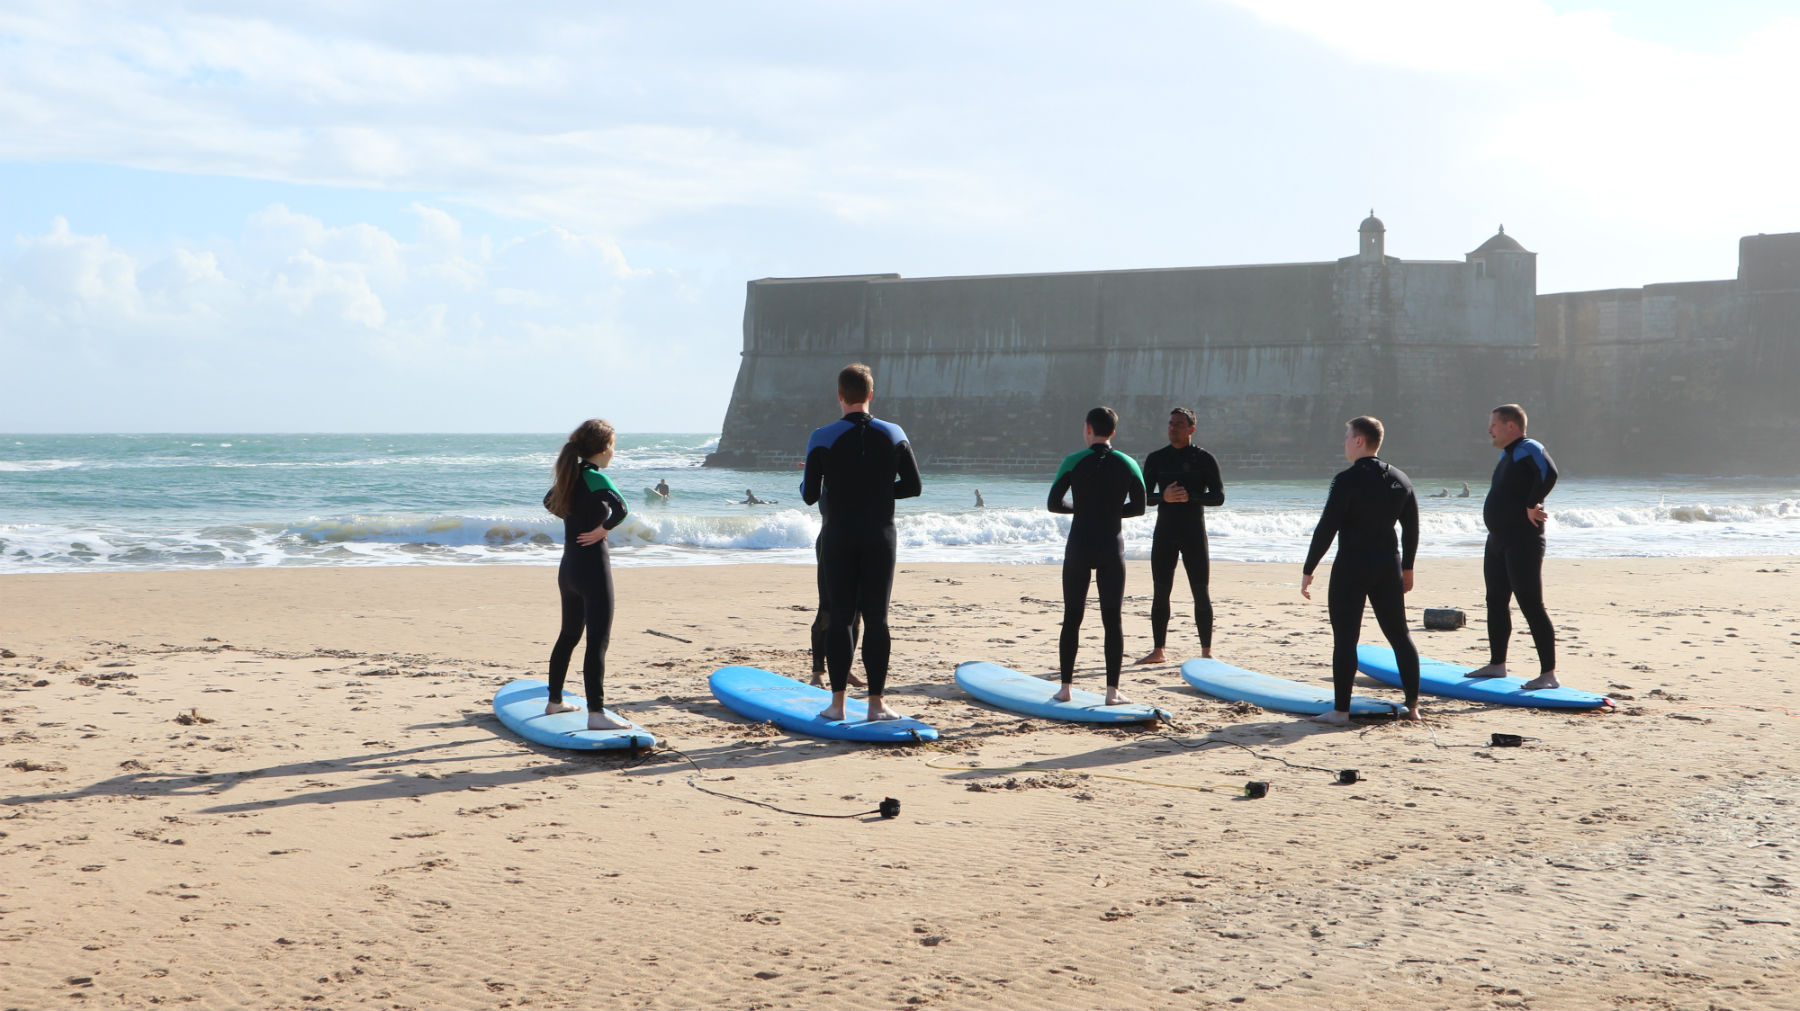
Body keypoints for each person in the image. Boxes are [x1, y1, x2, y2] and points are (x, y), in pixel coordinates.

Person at [801, 362, 923, 721]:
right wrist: (878, 493)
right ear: (871, 395)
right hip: (880, 537)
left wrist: (840, 492)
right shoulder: (894, 432)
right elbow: (914, 487)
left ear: (840, 396)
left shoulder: (821, 436)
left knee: (840, 618)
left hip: (838, 536)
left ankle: (837, 706)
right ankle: (876, 705)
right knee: (877, 619)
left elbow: (809, 495)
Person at [1300, 416, 1422, 725]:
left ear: (1359, 441)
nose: (1343, 442)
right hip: (1388, 565)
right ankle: (1413, 707)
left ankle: (1341, 711)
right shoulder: (1400, 479)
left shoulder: (1345, 480)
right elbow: (1412, 528)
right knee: (1400, 635)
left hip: (1352, 566)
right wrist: (1407, 567)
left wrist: (1309, 568)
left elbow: (1327, 526)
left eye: (1346, 436)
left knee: (1345, 637)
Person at [1048, 406, 1146, 704]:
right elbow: (1140, 507)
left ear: (1087, 429)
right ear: (1113, 432)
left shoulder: (1073, 461)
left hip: (1079, 546)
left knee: (1072, 617)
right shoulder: (1128, 463)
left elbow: (1054, 503)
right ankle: (1112, 693)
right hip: (1111, 547)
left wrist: (1083, 509)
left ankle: (1065, 688)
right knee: (1112, 620)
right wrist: (1110, 511)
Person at [541, 419, 633, 730]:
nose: (613, 453)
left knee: (568, 636)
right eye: (613, 447)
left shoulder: (570, 475)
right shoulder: (595, 476)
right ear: (604, 449)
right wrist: (601, 530)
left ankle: (554, 702)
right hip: (592, 567)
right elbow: (622, 509)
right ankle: (596, 714)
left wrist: (578, 519)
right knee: (597, 640)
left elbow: (548, 502)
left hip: (568, 568)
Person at [1469, 404, 1560, 690]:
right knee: (1495, 600)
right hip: (1498, 540)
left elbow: (1550, 472)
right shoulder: (1508, 455)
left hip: (1523, 539)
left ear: (1511, 426)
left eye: (1493, 424)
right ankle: (1497, 665)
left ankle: (1548, 674)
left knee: (1531, 603)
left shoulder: (1528, 446)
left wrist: (1533, 503)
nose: (1489, 430)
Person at [1135, 407, 1224, 665]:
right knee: (1161, 592)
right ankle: (1158, 650)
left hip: (1193, 533)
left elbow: (1218, 496)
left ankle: (1207, 652)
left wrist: (1190, 496)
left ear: (1191, 429)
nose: (1173, 427)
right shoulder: (1156, 458)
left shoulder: (1204, 458)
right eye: (1171, 423)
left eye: (1180, 424)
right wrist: (1163, 497)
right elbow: (1141, 497)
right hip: (1165, 533)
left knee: (1200, 592)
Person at [808, 533, 863, 688]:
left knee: (856, 612)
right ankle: (818, 672)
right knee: (826, 609)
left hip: (863, 542)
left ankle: (845, 671)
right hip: (831, 539)